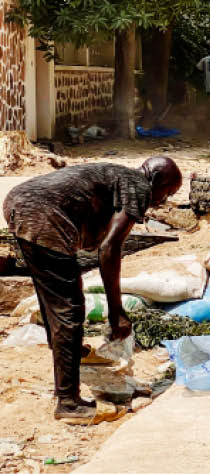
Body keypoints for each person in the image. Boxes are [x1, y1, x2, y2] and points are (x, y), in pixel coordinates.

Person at [3, 158, 182, 422]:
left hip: (19, 201)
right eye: (166, 192)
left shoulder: (119, 178)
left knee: (56, 291)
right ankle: (68, 403)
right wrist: (116, 311)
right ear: (154, 180)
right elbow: (109, 249)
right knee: (69, 309)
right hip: (42, 211)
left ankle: (66, 356)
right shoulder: (138, 185)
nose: (162, 202)